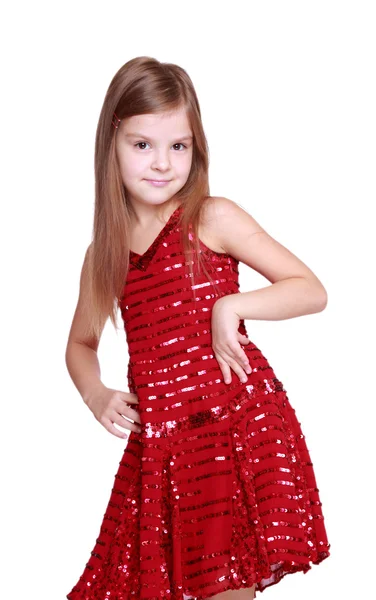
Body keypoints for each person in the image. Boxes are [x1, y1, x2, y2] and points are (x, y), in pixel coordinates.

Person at [65, 56, 331, 600]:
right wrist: (95, 394)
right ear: (111, 144)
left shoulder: (211, 217)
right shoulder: (105, 255)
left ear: (196, 148)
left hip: (232, 432)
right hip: (161, 449)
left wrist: (232, 305)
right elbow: (79, 344)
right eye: (143, 145)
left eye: (178, 146)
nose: (162, 163)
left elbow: (309, 288)